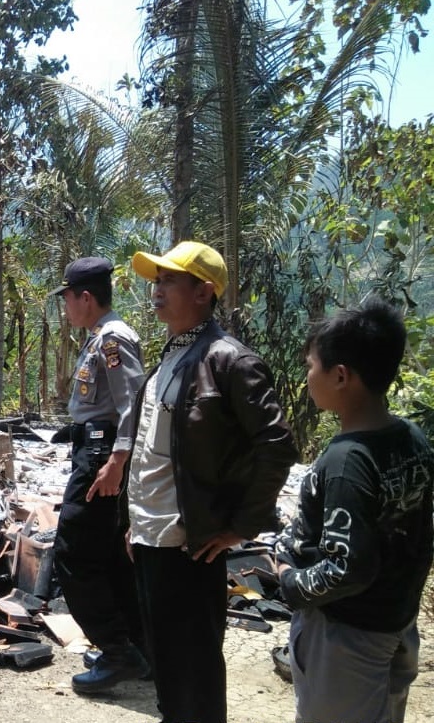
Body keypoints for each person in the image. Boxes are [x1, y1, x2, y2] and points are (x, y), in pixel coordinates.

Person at [127, 241, 298, 723]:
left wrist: (241, 526)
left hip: (190, 541)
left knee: (196, 666)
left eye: (168, 280)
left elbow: (277, 446)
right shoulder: (170, 359)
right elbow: (151, 451)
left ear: (203, 292)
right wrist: (133, 520)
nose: (156, 290)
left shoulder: (229, 361)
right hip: (151, 536)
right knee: (165, 661)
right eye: (156, 280)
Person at [274, 298, 434, 723]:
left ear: (341, 375)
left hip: (348, 636)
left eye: (312, 366)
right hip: (395, 623)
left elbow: (348, 569)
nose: (309, 377)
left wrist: (290, 581)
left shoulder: (347, 462)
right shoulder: (412, 438)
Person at [48, 256, 148, 694]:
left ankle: (116, 650)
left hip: (102, 457)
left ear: (85, 297)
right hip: (96, 448)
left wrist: (116, 461)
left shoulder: (113, 339)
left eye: (67, 299)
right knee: (109, 555)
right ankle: (138, 650)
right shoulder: (99, 337)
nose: (65, 308)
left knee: (73, 554)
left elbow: (133, 403)